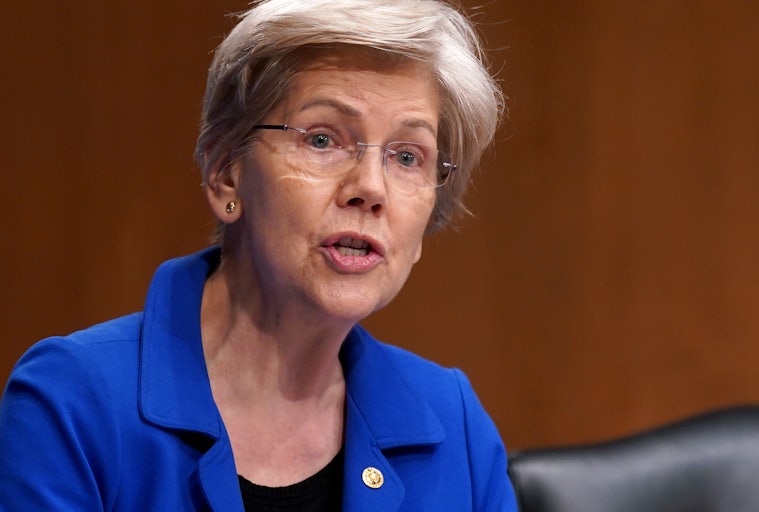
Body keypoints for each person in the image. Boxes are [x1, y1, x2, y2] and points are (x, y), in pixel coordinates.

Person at [0, 0, 513, 510]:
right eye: (322, 139)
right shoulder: (74, 403)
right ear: (226, 173)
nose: (371, 189)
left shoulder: (455, 428)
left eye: (407, 157)